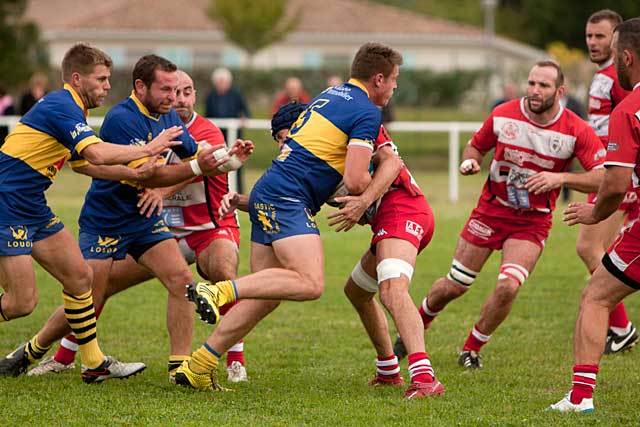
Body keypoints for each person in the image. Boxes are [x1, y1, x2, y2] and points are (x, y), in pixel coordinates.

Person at [0, 56, 253, 381]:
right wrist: (151, 152)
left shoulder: (160, 117)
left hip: (130, 218)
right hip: (97, 218)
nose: (174, 98)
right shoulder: (108, 115)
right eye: (167, 89)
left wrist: (226, 159)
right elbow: (108, 160)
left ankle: (174, 368)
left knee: (177, 282)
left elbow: (85, 164)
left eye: (181, 90)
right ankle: (38, 352)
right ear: (141, 87)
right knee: (30, 301)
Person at [172, 42, 405, 393]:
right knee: (310, 283)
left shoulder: (332, 94)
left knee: (266, 294)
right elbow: (356, 180)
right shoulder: (367, 111)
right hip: (287, 197)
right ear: (378, 78)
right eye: (394, 80)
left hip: (269, 188)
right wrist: (380, 187)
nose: (395, 87)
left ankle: (199, 365)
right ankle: (218, 291)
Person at [393, 61, 606, 370]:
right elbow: (475, 148)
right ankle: (419, 322)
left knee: (508, 286)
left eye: (543, 85)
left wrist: (560, 179)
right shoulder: (504, 114)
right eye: (531, 83)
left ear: (560, 91)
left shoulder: (575, 129)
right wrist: (471, 162)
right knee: (455, 285)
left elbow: (602, 176)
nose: (534, 90)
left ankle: (471, 348)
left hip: (532, 221)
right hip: (491, 212)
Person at [0, 43, 182, 383]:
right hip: (6, 202)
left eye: (108, 79)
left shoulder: (72, 110)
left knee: (80, 278)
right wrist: (147, 149)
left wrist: (133, 174)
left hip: (31, 205)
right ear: (77, 78)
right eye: (101, 79)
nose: (107, 86)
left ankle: (94, 362)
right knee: (20, 302)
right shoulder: (60, 105)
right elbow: (97, 155)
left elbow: (83, 165)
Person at [548, 18, 640, 413]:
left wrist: (594, 211)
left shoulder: (627, 107)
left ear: (626, 56)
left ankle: (581, 398)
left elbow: (616, 182)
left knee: (595, 296)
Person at [338, 124, 444, 399]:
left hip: (402, 211)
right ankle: (388, 370)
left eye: (284, 136)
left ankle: (424, 378)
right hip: (390, 217)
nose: (284, 145)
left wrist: (362, 201)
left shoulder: (355, 123)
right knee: (357, 291)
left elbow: (391, 163)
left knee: (392, 290)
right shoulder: (325, 144)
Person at [575, 9, 638, 354]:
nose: (594, 43)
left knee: (588, 247)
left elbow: (621, 132)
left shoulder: (615, 79)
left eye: (601, 37)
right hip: (617, 171)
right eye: (589, 36)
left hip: (619, 175)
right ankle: (620, 325)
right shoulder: (606, 76)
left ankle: (621, 325)